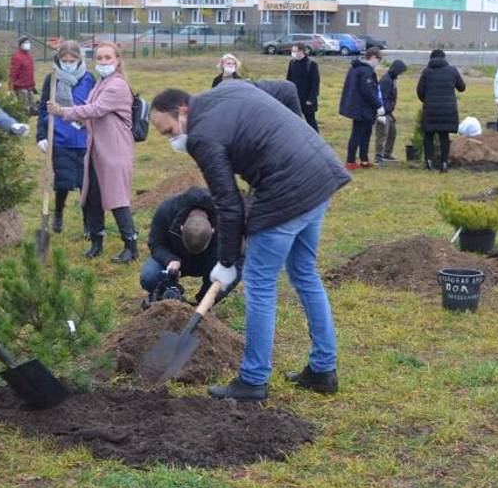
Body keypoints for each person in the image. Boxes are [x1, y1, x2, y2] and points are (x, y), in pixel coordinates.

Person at [149, 80, 350, 401]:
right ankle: (323, 369)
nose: (172, 139)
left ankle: (253, 379)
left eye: (169, 131)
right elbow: (286, 89)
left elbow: (227, 204)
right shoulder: (232, 88)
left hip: (286, 190)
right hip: (318, 172)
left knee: (259, 283)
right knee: (305, 274)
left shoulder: (201, 136)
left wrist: (226, 262)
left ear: (183, 111)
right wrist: (288, 136)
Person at [47, 42, 138, 263]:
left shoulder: (117, 85)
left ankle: (131, 245)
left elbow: (95, 109)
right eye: (99, 58)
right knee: (93, 196)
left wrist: (62, 111)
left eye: (108, 58)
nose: (103, 62)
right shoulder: (101, 82)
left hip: (114, 149)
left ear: (117, 60)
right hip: (96, 148)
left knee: (116, 198)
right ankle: (97, 241)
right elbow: (90, 112)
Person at [36, 41, 96, 234]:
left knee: (84, 183)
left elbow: (95, 106)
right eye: (65, 60)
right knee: (63, 181)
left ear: (80, 59)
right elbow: (42, 109)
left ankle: (88, 223)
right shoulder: (52, 79)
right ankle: (58, 214)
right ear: (59, 59)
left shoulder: (89, 79)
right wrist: (41, 136)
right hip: (60, 138)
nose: (68, 63)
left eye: (73, 60)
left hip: (83, 138)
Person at [140, 187, 219, 308]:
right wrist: (170, 259)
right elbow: (156, 243)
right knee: (149, 276)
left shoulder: (224, 218)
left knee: (229, 272)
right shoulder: (167, 210)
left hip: (208, 263)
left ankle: (203, 303)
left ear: (213, 231)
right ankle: (172, 294)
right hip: (174, 259)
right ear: (181, 228)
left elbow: (236, 260)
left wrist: (205, 301)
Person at [416, 48, 466, 172]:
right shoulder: (452, 70)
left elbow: (420, 91)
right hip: (448, 109)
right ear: (444, 58)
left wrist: (427, 100)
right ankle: (444, 164)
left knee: (428, 136)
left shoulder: (426, 72)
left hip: (431, 109)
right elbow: (462, 87)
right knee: (444, 136)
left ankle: (429, 162)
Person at [339, 47, 384, 170]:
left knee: (366, 133)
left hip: (360, 107)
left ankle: (364, 159)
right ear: (373, 57)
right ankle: (350, 161)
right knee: (357, 134)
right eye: (378, 60)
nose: (377, 64)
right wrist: (378, 105)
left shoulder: (356, 68)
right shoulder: (365, 71)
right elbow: (368, 91)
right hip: (361, 108)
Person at [375, 59, 407, 164]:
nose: (401, 74)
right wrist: (382, 113)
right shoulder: (386, 80)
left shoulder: (393, 79)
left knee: (392, 131)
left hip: (388, 111)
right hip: (382, 111)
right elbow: (381, 97)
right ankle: (378, 156)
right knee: (382, 132)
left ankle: (387, 153)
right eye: (401, 71)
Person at [286, 42, 320, 131]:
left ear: (301, 51)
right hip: (295, 98)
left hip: (307, 99)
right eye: (292, 51)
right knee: (295, 121)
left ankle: (316, 140)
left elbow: (315, 83)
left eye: (295, 51)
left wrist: (311, 99)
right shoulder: (292, 63)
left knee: (310, 121)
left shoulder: (311, 64)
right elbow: (289, 79)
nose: (293, 53)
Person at [9, 36, 36, 115]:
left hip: (29, 85)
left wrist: (32, 84)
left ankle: (32, 110)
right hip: (20, 86)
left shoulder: (29, 56)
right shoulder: (17, 57)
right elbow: (13, 72)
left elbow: (30, 72)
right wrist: (10, 85)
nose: (28, 44)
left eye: (28, 42)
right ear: (20, 45)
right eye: (25, 43)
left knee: (32, 104)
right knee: (24, 107)